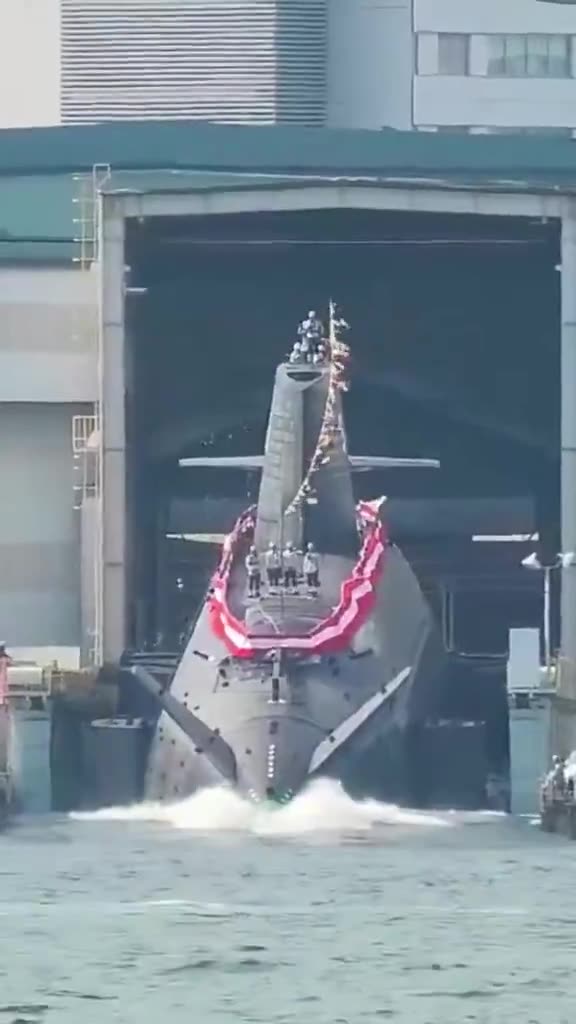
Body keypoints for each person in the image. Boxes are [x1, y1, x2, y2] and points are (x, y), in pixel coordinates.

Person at [0, 643, 12, 707]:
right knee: (3, 687)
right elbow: (10, 662)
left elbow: (10, 662)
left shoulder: (5, 658)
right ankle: (4, 701)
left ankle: (4, 701)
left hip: (3, 676)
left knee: (3, 687)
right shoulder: (5, 658)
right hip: (3, 675)